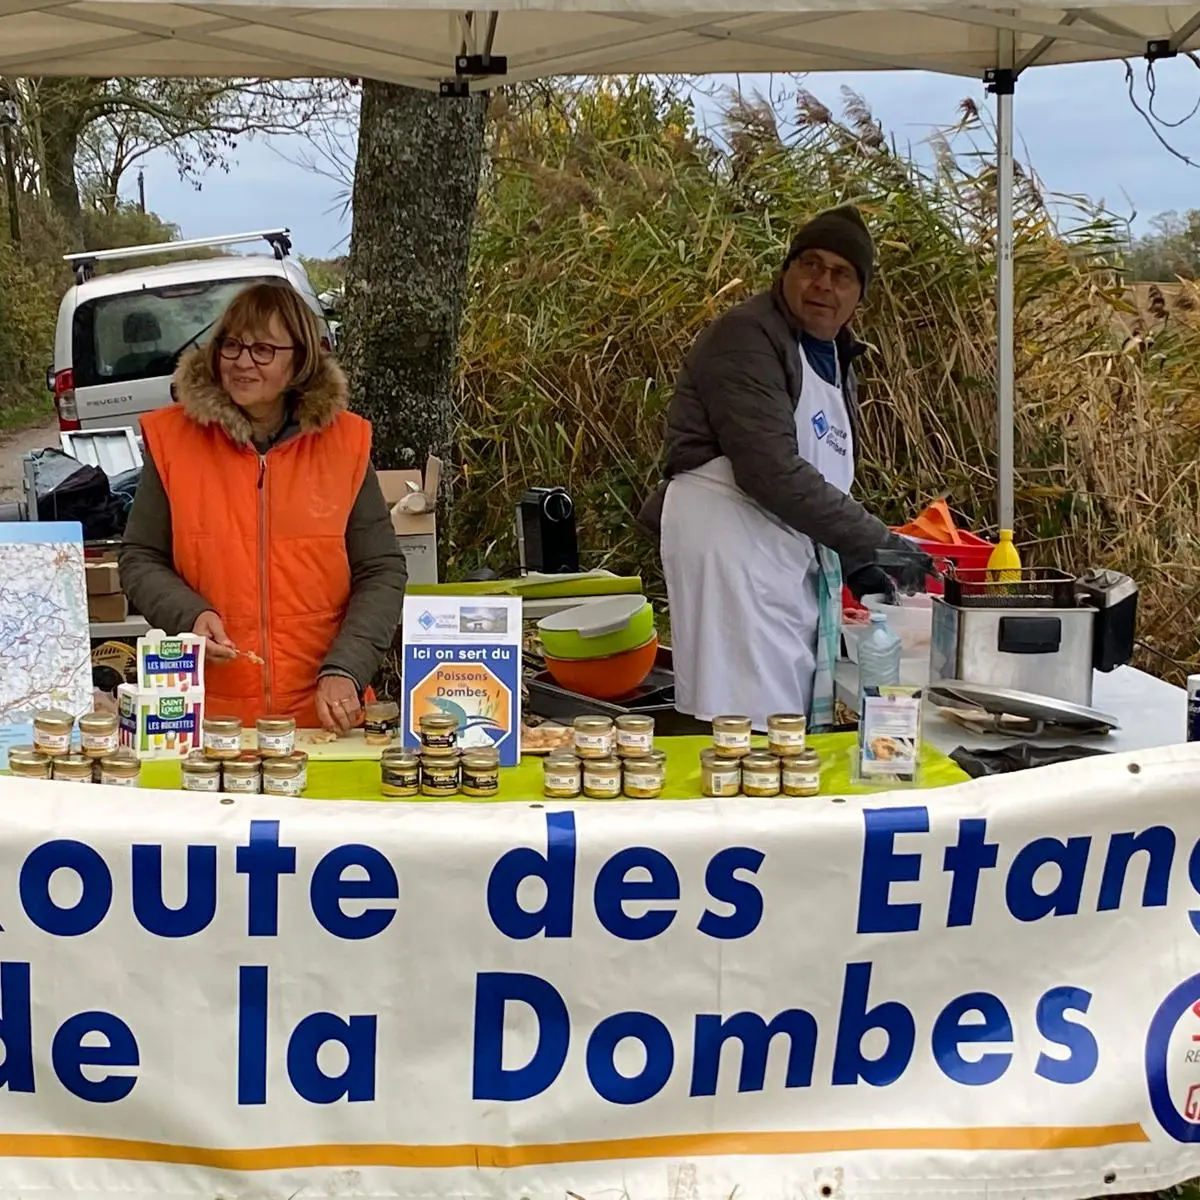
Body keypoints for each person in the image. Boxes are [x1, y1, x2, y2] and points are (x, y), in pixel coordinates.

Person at [638, 205, 932, 730]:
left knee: (777, 712)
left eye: (841, 274)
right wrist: (874, 542)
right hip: (731, 540)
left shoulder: (832, 356)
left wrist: (855, 558)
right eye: (810, 265)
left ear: (859, 295)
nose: (823, 284)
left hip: (781, 545)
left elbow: (814, 471)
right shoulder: (746, 337)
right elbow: (769, 469)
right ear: (786, 272)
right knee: (742, 721)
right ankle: (735, 806)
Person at [120, 281, 407, 733]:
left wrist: (346, 669)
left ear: (299, 360)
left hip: (324, 717)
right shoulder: (173, 440)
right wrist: (188, 614)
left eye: (262, 350)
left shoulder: (346, 443)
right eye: (232, 345)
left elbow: (382, 569)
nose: (241, 362)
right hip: (206, 719)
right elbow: (139, 557)